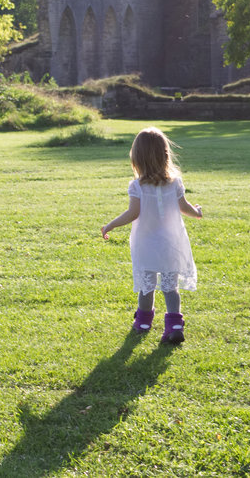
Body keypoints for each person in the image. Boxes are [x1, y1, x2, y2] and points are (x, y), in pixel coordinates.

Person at [101, 127, 202, 344]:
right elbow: (184, 206)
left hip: (146, 243)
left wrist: (110, 225)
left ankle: (144, 322)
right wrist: (198, 213)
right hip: (172, 244)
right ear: (165, 154)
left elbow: (133, 213)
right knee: (170, 286)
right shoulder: (175, 182)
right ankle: (175, 324)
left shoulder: (137, 186)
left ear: (137, 158)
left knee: (147, 285)